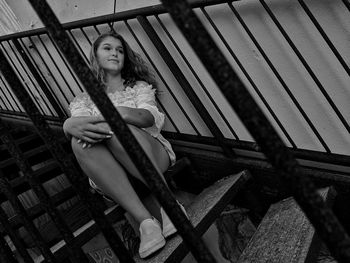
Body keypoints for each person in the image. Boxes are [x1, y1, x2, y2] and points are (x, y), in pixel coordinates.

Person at [62, 32, 186, 259]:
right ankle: (146, 224)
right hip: (110, 172)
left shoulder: (138, 87)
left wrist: (118, 113)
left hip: (150, 153)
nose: (115, 53)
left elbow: (149, 118)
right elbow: (79, 123)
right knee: (80, 144)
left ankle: (169, 205)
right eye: (107, 48)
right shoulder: (83, 100)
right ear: (95, 57)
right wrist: (69, 124)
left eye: (119, 50)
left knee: (116, 126)